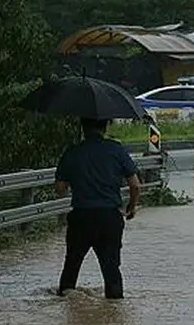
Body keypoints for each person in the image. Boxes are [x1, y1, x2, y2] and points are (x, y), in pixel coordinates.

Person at [54, 118, 142, 299]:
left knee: (71, 265)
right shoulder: (116, 150)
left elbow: (60, 189)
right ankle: (114, 309)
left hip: (81, 217)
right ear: (105, 126)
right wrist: (131, 207)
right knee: (111, 270)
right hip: (109, 218)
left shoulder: (72, 152)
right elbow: (135, 185)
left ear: (83, 127)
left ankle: (65, 305)